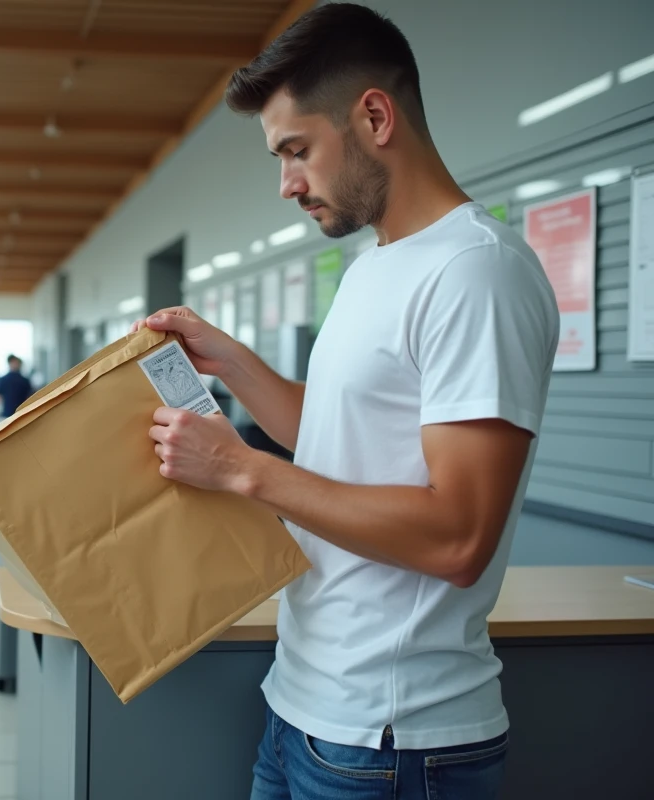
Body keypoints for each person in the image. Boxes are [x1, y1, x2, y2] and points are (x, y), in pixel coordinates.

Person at [139, 5, 559, 799]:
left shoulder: (477, 272)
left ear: (373, 115)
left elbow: (459, 537)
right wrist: (231, 361)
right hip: (303, 706)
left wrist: (241, 470)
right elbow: (335, 435)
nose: (287, 184)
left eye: (297, 151)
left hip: (395, 739)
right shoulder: (377, 263)